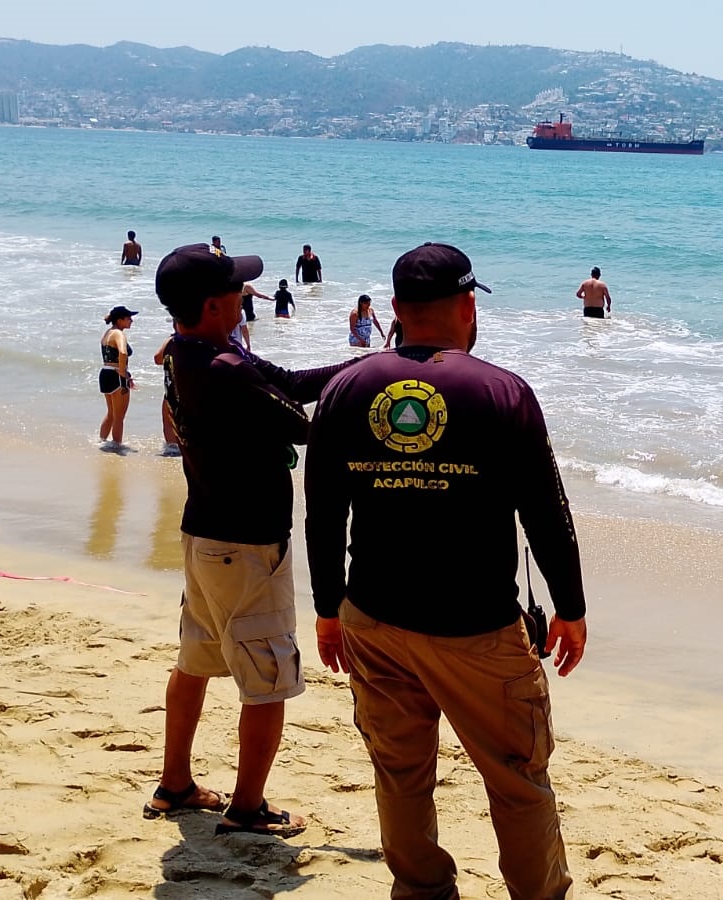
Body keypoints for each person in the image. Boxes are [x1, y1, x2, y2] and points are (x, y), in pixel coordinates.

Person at [306, 242, 587, 900]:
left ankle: (421, 891)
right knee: (517, 779)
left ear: (396, 308)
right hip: (477, 629)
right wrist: (571, 608)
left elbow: (323, 513)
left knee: (400, 775)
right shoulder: (501, 391)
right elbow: (545, 511)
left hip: (374, 617)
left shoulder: (346, 389)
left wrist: (326, 608)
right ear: (467, 305)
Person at [143, 243, 357, 837]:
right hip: (248, 545)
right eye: (237, 287)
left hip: (203, 534)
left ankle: (175, 784)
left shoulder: (185, 352)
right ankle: (247, 807)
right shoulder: (226, 368)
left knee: (195, 661)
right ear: (215, 305)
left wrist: (362, 367)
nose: (245, 293)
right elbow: (303, 425)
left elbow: (286, 382)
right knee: (267, 679)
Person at [98, 305, 137, 451]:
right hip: (116, 375)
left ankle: (101, 442)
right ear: (120, 320)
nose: (131, 320)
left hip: (105, 373)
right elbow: (123, 352)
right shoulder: (119, 334)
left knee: (111, 413)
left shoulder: (108, 333)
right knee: (119, 417)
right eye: (129, 318)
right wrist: (123, 373)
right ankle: (116, 447)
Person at [153, 329, 181, 457]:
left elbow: (157, 359)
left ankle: (172, 450)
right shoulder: (201, 338)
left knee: (168, 420)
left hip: (172, 387)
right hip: (192, 388)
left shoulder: (173, 340)